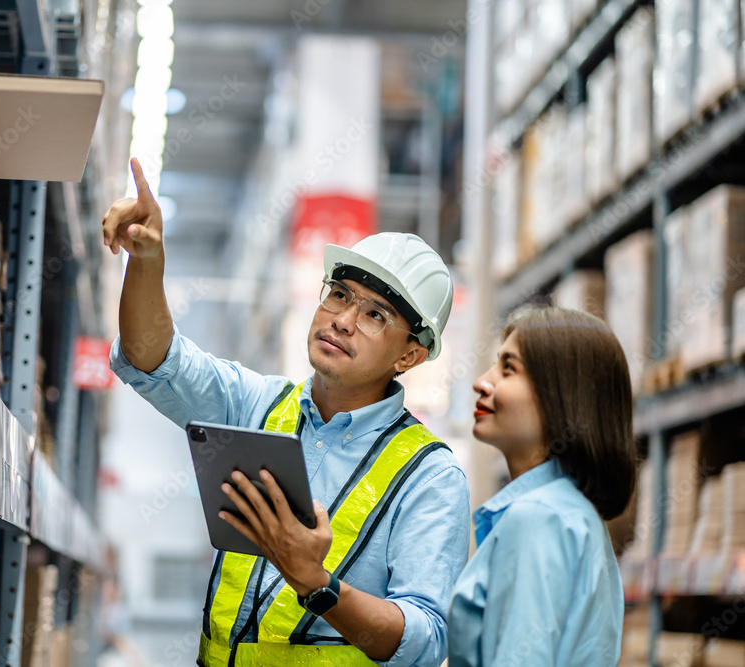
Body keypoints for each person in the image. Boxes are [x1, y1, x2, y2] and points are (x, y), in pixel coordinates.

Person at [103, 159, 470, 666]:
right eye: (339, 295)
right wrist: (146, 262)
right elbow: (153, 359)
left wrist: (318, 584)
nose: (342, 320)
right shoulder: (256, 405)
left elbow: (425, 641)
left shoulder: (429, 476)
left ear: (409, 355)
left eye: (374, 315)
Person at [448, 307, 637, 666]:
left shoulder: (539, 517)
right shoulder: (574, 515)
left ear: (561, 395)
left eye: (508, 368)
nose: (482, 382)